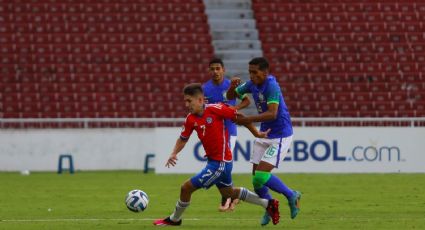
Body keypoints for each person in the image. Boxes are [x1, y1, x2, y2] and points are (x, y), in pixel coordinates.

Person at [153, 83, 280, 226]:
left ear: (200, 100)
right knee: (229, 193)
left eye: (189, 101)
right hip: (215, 162)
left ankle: (174, 219)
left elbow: (240, 116)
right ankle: (268, 204)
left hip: (220, 163)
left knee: (186, 188)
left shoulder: (216, 109)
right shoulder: (190, 119)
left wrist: (256, 133)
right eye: (185, 101)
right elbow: (183, 138)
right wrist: (173, 153)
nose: (187, 104)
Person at [226, 57, 301, 226]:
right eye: (250, 72)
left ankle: (291, 195)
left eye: (255, 72)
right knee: (256, 181)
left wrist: (247, 120)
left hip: (280, 134)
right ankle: (270, 208)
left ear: (265, 72)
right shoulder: (252, 84)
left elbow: (273, 113)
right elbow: (230, 96)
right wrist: (232, 87)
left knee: (261, 175)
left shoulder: (271, 86)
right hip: (264, 134)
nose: (251, 76)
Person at [202, 58, 250, 211]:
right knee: (217, 165)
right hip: (213, 133)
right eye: (212, 69)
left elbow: (247, 101)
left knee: (221, 164)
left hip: (229, 130)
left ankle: (226, 197)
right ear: (209, 71)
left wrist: (233, 109)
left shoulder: (231, 85)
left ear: (223, 70)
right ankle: (231, 195)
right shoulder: (205, 89)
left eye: (218, 68)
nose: (215, 72)